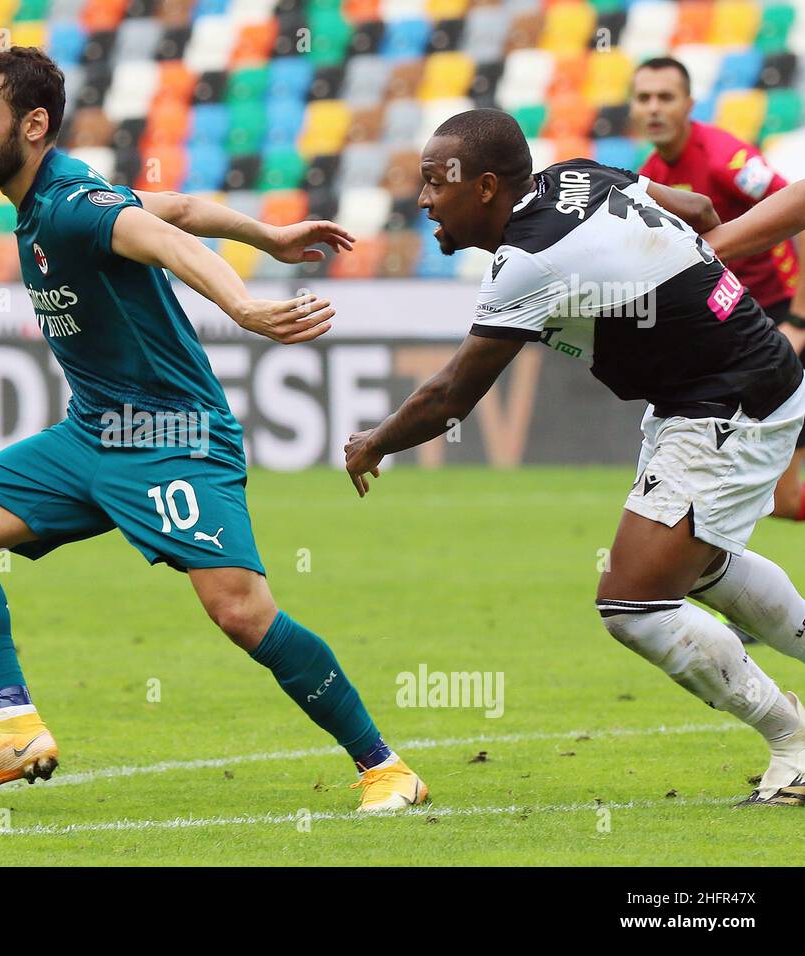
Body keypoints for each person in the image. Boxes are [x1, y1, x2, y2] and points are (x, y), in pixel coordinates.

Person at [0, 46, 428, 813]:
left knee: (242, 612)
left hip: (173, 437)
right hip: (92, 435)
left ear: (35, 124)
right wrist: (269, 234)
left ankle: (385, 768)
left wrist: (243, 304)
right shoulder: (52, 198)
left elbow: (174, 243)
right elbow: (175, 207)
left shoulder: (71, 207)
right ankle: (11, 724)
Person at [345, 108, 805, 806]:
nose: (424, 199)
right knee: (701, 567)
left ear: (488, 187)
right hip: (723, 384)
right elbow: (700, 209)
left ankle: (793, 742)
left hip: (726, 400)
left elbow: (449, 398)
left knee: (635, 604)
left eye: (438, 183)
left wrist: (373, 442)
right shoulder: (576, 175)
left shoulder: (528, 262)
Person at [633, 56, 805, 520]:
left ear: (689, 104)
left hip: (786, 315)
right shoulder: (652, 176)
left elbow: (801, 215)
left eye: (665, 97)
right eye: (644, 98)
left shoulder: (725, 157)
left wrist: (800, 317)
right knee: (784, 502)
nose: (654, 108)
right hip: (745, 328)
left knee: (774, 498)